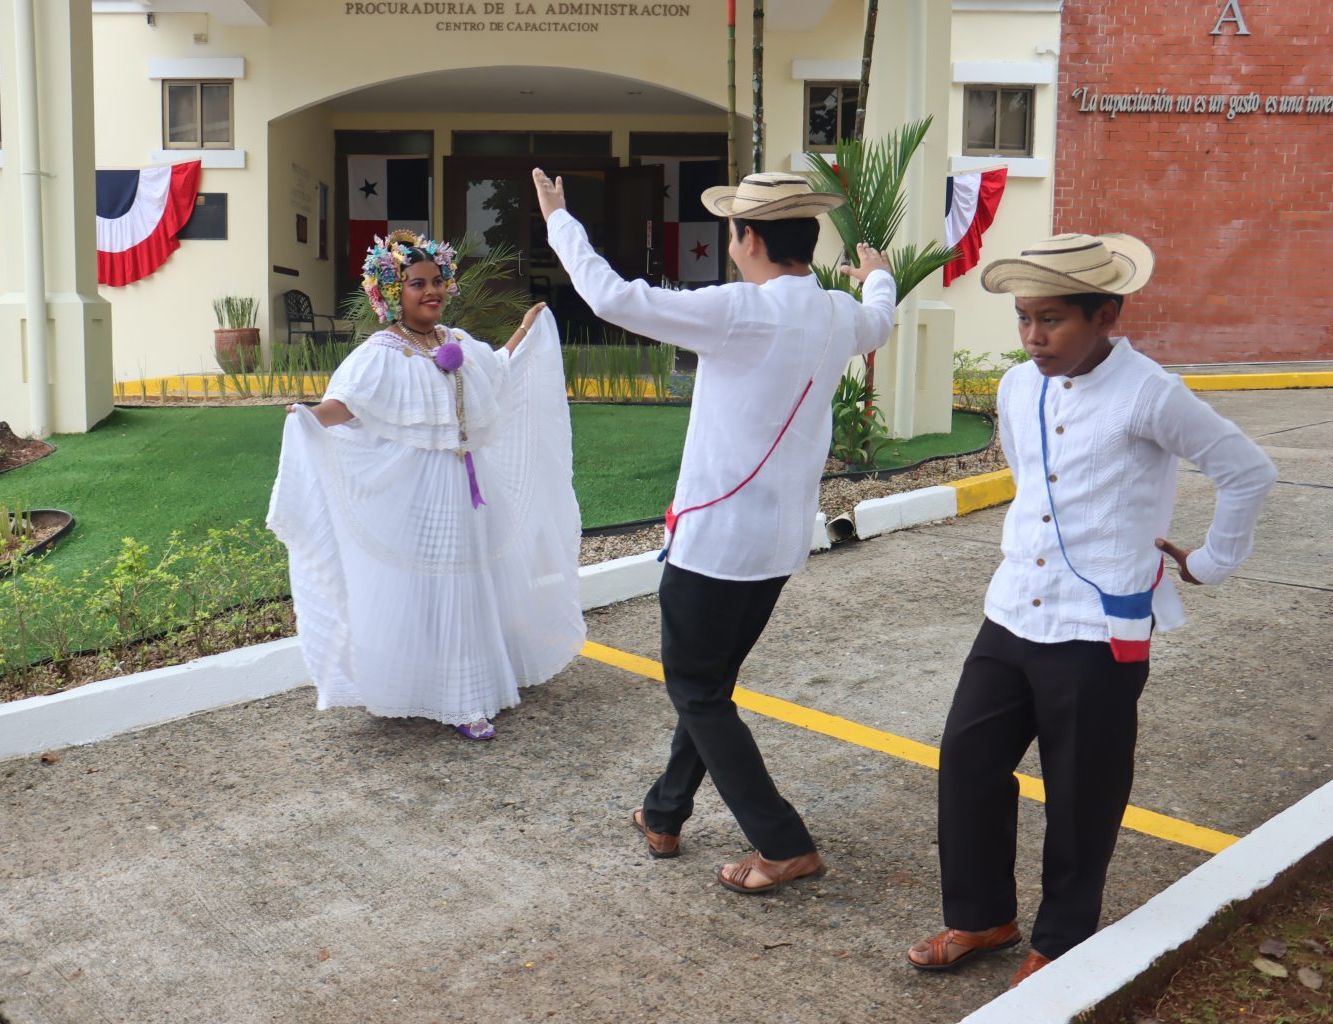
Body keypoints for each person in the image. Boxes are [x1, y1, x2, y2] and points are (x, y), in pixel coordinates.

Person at [906, 233, 1276, 986]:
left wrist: (1210, 562)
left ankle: (1062, 942)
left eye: (1052, 320)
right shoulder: (1018, 386)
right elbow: (1030, 482)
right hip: (1013, 611)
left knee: (1082, 792)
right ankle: (983, 917)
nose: (1033, 337)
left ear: (1105, 315)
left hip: (1100, 626)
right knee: (968, 763)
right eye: (1023, 319)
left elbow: (1247, 469)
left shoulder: (1149, 392)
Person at [533, 167, 897, 892]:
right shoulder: (837, 312)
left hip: (717, 541)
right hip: (777, 545)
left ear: (749, 237)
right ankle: (664, 812)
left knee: (697, 691)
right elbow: (879, 318)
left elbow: (612, 296)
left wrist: (558, 220)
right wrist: (878, 274)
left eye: (732, 228)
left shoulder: (739, 310)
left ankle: (783, 843)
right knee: (709, 686)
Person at [266, 230, 584, 741]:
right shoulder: (382, 353)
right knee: (434, 588)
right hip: (420, 492)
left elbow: (497, 372)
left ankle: (470, 687)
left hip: (467, 490)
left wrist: (525, 332)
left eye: (437, 281)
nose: (431, 291)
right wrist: (308, 415)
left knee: (469, 584)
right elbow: (347, 403)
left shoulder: (455, 341)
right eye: (417, 284)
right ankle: (450, 697)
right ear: (393, 293)